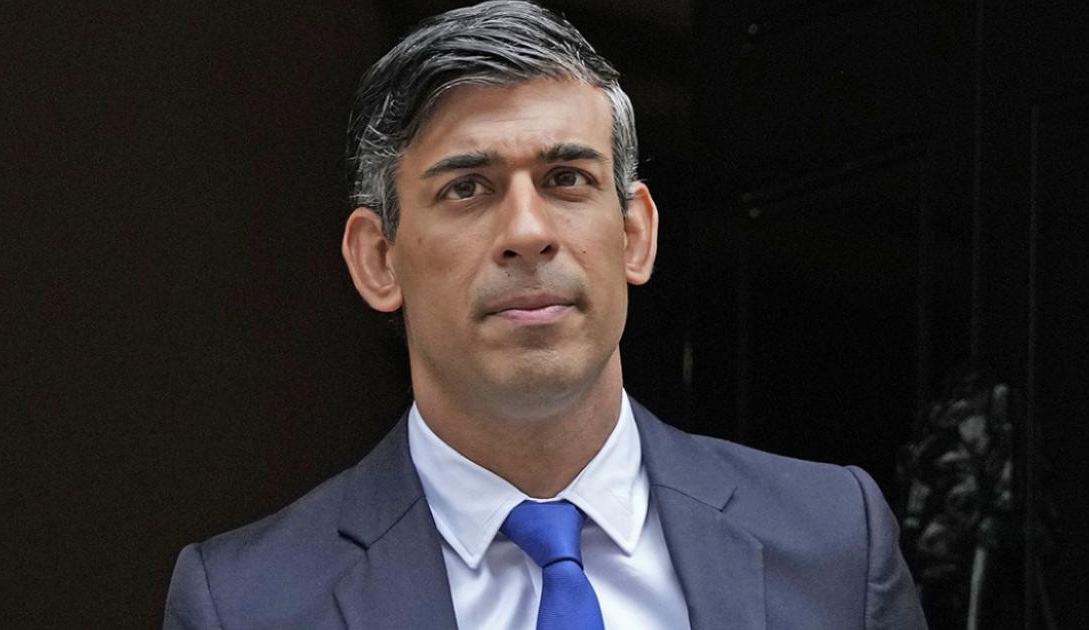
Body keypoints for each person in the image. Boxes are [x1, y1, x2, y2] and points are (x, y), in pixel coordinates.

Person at [163, 2, 927, 628]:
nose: (528, 232)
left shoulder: (835, 542)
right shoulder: (248, 605)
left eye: (566, 178)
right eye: (467, 188)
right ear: (378, 260)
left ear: (635, 235)